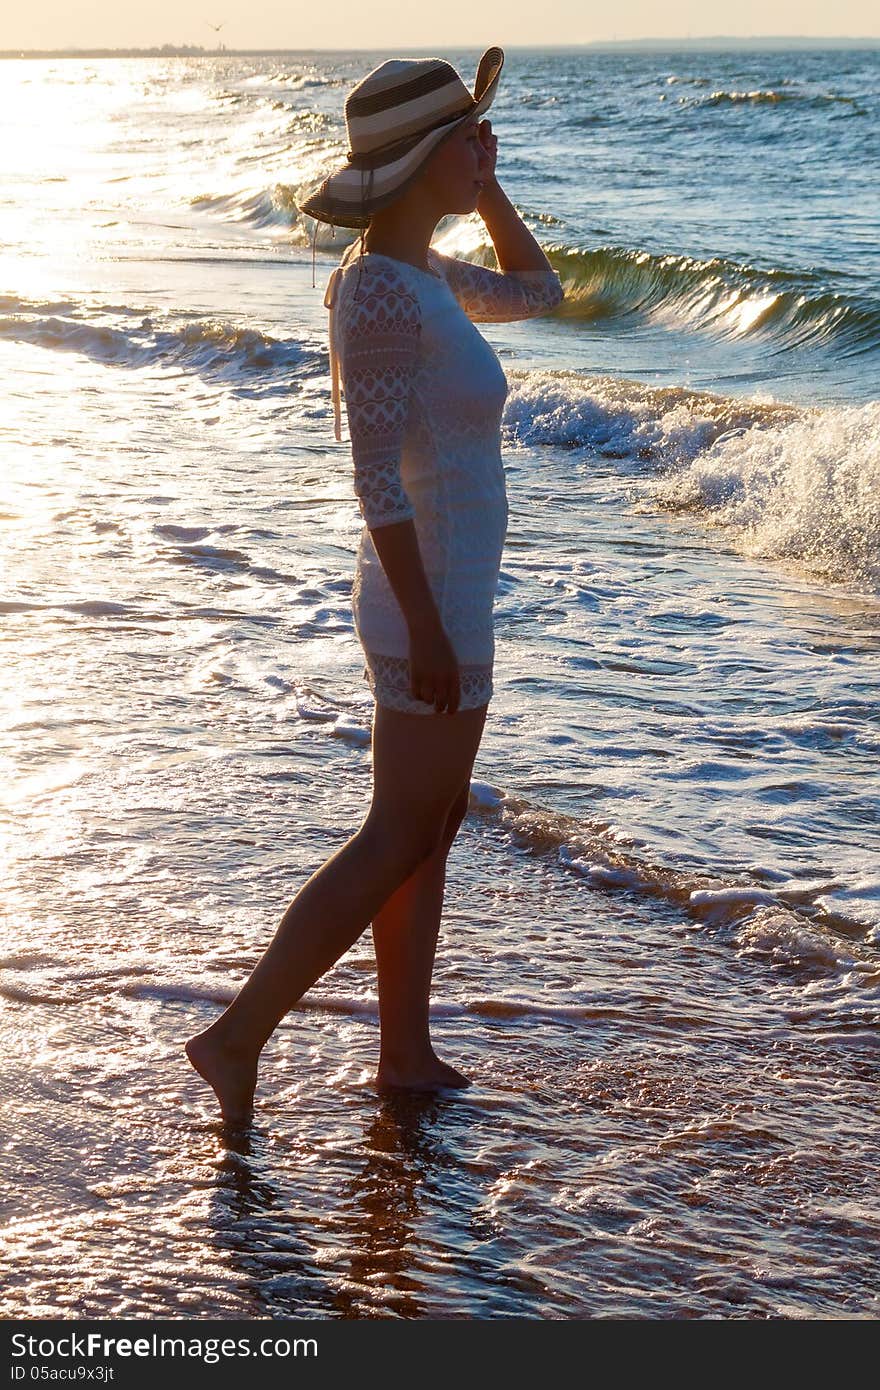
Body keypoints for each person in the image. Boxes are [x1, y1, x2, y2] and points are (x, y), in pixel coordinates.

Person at [185, 45, 565, 1123]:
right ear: (418, 161)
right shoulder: (385, 300)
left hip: (442, 588)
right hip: (426, 596)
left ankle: (404, 1052)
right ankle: (235, 1034)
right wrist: (437, 630)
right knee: (398, 829)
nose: (486, 150)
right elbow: (374, 485)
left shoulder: (416, 277)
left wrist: (487, 186)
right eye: (467, 140)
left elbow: (540, 290)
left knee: (423, 826)